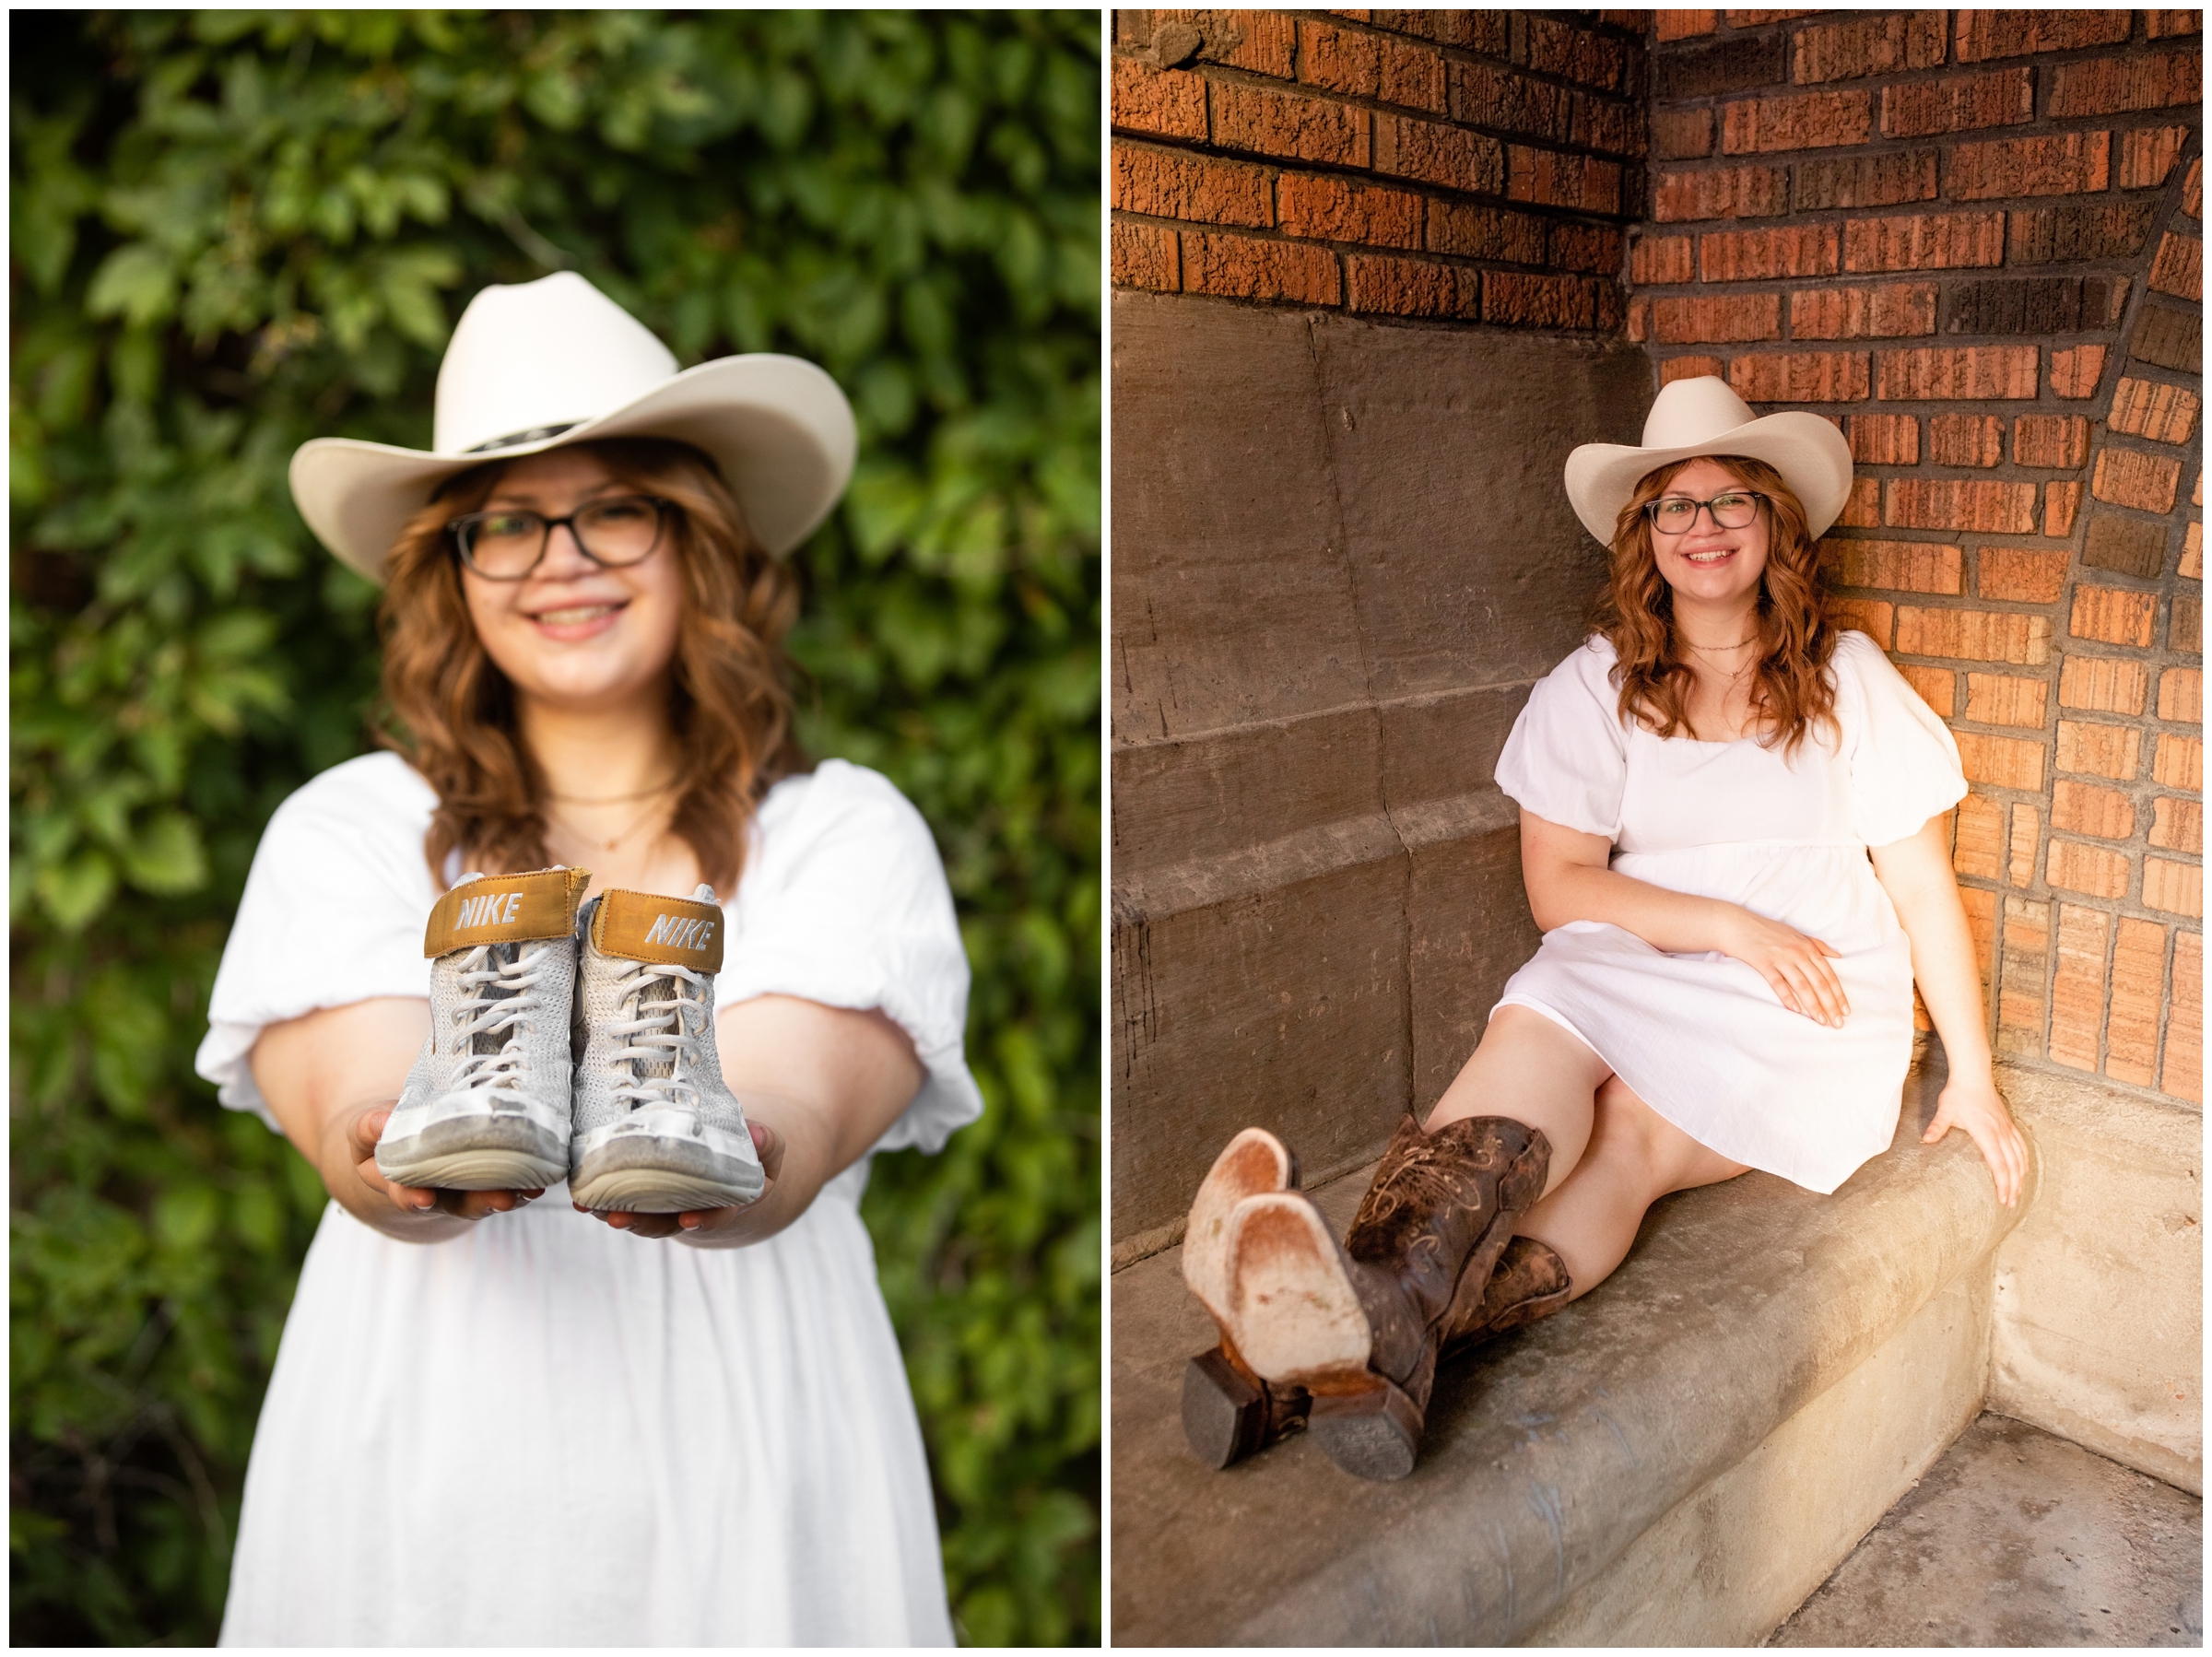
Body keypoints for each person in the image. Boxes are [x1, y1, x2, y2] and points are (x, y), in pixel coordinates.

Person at [194, 272, 982, 1642]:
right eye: (505, 522)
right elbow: (360, 1117)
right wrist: (394, 1145)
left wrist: (740, 1151)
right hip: (429, 1461)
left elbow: (792, 1110)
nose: (561, 557)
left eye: (614, 506)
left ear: (697, 540)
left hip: (755, 1459)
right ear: (456, 572)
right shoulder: (348, 828)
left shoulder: (842, 829)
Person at [1176, 376, 2028, 1482]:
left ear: (1776, 524)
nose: (1704, 527)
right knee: (1538, 1018)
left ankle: (1304, 1356)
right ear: (1645, 535)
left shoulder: (1844, 678)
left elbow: (1918, 888)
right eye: (1675, 505)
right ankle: (1379, 1324)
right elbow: (1562, 888)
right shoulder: (1599, 686)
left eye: (1731, 502)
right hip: (1644, 949)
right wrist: (1726, 922)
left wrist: (1975, 1076)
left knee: (1632, 1134)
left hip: (1807, 992)